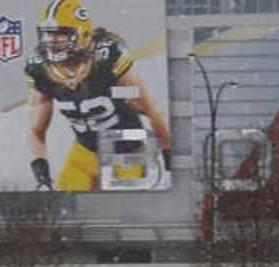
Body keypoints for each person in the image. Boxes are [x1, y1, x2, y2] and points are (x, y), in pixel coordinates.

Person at [25, 0, 172, 191]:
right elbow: (35, 131)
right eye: (47, 33)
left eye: (61, 33)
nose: (52, 41)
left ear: (83, 33)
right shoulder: (40, 70)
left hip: (126, 152)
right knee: (66, 205)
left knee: (126, 207)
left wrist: (170, 166)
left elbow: (152, 109)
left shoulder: (106, 57)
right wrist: (42, 177)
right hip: (85, 152)